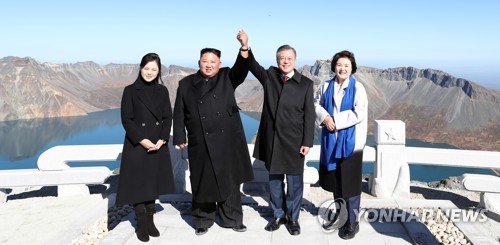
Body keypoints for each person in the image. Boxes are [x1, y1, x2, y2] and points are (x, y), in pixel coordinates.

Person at [172, 30, 254, 236]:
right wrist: (180, 136)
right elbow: (179, 111)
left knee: (230, 180)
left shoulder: (228, 76)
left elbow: (242, 68)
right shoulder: (186, 84)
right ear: (198, 62)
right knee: (202, 180)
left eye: (213, 61)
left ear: (219, 63)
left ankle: (233, 218)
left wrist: (244, 47)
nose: (208, 65)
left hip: (228, 140)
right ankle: (202, 220)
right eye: (204, 61)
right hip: (200, 140)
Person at [242, 30, 315, 236]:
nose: (285, 61)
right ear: (277, 60)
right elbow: (252, 65)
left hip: (294, 142)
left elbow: (309, 116)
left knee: (294, 184)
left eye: (289, 58)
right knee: (274, 182)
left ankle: (293, 219)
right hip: (273, 140)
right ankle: (277, 215)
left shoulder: (305, 84)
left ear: (295, 60)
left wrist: (307, 141)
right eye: (281, 58)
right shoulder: (270, 77)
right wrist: (245, 46)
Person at [115, 53, 175, 242]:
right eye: (146, 68)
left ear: (158, 72)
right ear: (140, 68)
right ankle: (141, 222)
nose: (149, 72)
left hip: (157, 144)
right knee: (138, 185)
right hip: (137, 145)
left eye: (154, 70)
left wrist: (163, 139)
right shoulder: (130, 90)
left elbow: (167, 117)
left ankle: (150, 220)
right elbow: (127, 119)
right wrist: (141, 140)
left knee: (152, 184)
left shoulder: (162, 91)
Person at [314, 50, 368, 240]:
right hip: (331, 141)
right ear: (334, 67)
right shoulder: (326, 85)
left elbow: (359, 112)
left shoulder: (358, 88)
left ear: (352, 68)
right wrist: (325, 117)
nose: (342, 68)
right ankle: (340, 214)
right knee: (337, 182)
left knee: (351, 185)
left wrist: (335, 120)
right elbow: (316, 104)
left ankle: (353, 222)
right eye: (339, 65)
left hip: (351, 145)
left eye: (346, 65)